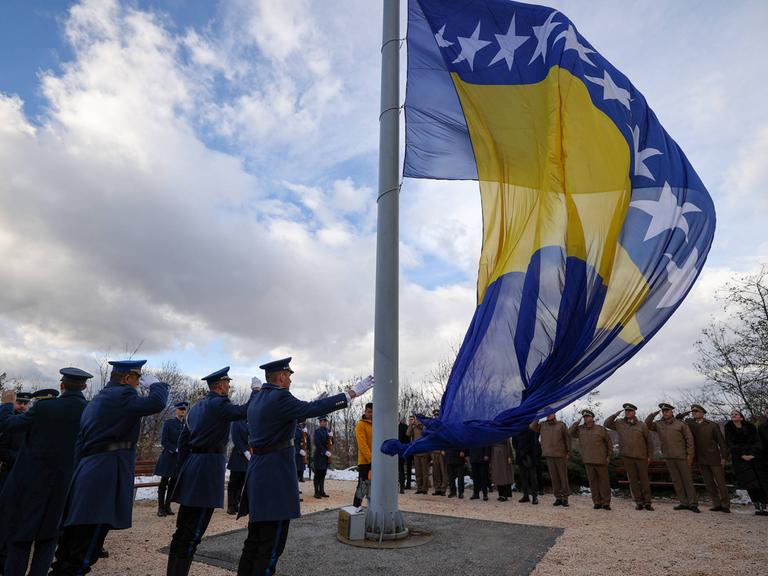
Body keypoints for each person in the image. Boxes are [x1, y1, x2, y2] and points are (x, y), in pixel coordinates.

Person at [235, 357, 373, 576]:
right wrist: (350, 394)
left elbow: (289, 415)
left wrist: (309, 405)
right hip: (276, 474)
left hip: (259, 472)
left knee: (254, 539)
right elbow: (310, 408)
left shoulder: (258, 398)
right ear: (281, 376)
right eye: (288, 375)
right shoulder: (281, 397)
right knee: (271, 545)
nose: (290, 379)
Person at [50, 360, 168, 576]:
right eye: (137, 378)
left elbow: (80, 443)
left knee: (70, 547)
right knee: (85, 549)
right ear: (126, 378)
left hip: (87, 472)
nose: (138, 383)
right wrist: (157, 385)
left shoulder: (98, 399)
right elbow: (157, 404)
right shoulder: (122, 396)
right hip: (104, 474)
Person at [166, 367, 256, 576]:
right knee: (194, 531)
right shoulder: (220, 404)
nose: (230, 386)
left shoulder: (196, 407)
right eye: (228, 382)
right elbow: (247, 410)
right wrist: (256, 390)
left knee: (183, 529)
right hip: (206, 469)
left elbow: (183, 441)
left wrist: (183, 470)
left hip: (192, 466)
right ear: (220, 385)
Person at [0, 370, 90, 576]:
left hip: (30, 485)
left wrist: (6, 404)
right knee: (48, 539)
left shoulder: (43, 408)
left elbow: (8, 424)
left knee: (21, 537)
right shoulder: (88, 411)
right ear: (84, 387)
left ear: (62, 385)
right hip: (65, 486)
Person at [676, 404, 731, 512]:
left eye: (696, 411)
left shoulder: (712, 425)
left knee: (721, 483)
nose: (694, 413)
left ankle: (725, 505)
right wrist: (684, 414)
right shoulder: (689, 423)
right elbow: (677, 419)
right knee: (709, 483)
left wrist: (724, 457)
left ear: (703, 413)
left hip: (714, 458)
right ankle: (716, 504)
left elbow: (721, 442)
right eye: (693, 412)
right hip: (700, 459)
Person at [646, 403, 699, 512]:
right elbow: (646, 425)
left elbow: (689, 440)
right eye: (663, 411)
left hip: (682, 457)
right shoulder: (658, 424)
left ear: (672, 412)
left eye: (667, 411)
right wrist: (652, 415)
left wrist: (690, 455)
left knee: (687, 480)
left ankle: (693, 503)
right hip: (669, 457)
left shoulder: (681, 424)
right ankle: (683, 502)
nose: (665, 413)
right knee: (677, 481)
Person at [605, 403, 654, 510]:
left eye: (630, 411)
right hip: (627, 456)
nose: (627, 412)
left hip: (641, 457)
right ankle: (638, 502)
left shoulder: (642, 425)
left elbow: (649, 441)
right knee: (633, 481)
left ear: (634, 412)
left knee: (644, 480)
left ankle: (648, 502)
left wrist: (649, 455)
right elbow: (606, 424)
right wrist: (614, 415)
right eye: (626, 411)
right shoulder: (619, 423)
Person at [724, 410, 768, 516]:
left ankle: (765, 505)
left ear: (741, 417)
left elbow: (758, 441)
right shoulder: (728, 428)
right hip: (740, 459)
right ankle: (757, 506)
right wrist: (742, 455)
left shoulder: (751, 427)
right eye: (732, 414)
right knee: (750, 483)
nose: (733, 415)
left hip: (754, 457)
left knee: (760, 482)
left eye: (736, 414)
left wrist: (753, 454)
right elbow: (730, 443)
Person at [569, 409, 613, 510]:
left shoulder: (600, 429)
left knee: (604, 482)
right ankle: (596, 502)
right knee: (593, 483)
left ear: (592, 418)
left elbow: (609, 444)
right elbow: (569, 433)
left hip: (601, 460)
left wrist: (608, 456)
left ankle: (606, 502)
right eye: (584, 417)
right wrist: (577, 422)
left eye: (587, 416)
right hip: (588, 460)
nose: (585, 418)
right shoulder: (580, 429)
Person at [530, 411, 571, 506]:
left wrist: (568, 451)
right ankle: (558, 497)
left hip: (560, 455)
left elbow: (567, 438)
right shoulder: (542, 425)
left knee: (563, 477)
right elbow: (532, 427)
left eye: (550, 414)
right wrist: (538, 417)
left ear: (554, 414)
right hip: (549, 454)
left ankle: (565, 498)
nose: (548, 415)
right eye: (547, 414)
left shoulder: (561, 425)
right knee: (554, 478)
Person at [155, 401, 187, 517]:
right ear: (176, 410)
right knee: (164, 483)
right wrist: (175, 449)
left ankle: (168, 506)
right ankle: (160, 508)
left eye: (184, 410)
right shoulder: (169, 423)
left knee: (173, 483)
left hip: (179, 459)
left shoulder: (186, 425)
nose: (182, 411)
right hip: (169, 457)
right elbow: (164, 441)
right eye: (180, 409)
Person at [0, 392, 31, 492]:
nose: (22, 406)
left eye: (25, 404)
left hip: (24, 473)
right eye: (19, 402)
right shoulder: (7, 421)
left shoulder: (29, 422)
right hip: (7, 470)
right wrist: (18, 458)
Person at [228, 418, 250, 515]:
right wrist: (244, 451)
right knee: (233, 482)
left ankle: (237, 503)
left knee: (241, 482)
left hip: (249, 456)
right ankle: (231, 506)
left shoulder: (252, 420)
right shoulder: (237, 422)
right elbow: (236, 438)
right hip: (238, 455)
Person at [353, 402, 373, 507]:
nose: (371, 414)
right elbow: (362, 445)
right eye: (369, 412)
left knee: (374, 487)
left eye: (373, 412)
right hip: (365, 462)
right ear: (365, 411)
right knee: (362, 486)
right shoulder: (360, 425)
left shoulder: (376, 424)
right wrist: (371, 459)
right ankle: (356, 507)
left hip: (375, 461)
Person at [512, 428, 539, 504]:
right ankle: (525, 495)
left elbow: (533, 444)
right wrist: (519, 451)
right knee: (523, 478)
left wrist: (524, 451)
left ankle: (534, 497)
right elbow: (514, 443)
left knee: (532, 478)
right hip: (520, 457)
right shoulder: (516, 432)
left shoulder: (531, 432)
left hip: (529, 457)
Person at [408, 415, 430, 495]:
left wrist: (419, 425)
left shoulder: (425, 426)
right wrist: (411, 425)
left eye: (418, 419)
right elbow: (408, 434)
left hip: (424, 451)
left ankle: (425, 488)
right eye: (416, 419)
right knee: (418, 471)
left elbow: (426, 433)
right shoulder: (413, 427)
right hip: (416, 451)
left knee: (424, 472)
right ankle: (419, 488)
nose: (417, 421)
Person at [313, 416, 331, 498]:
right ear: (320, 422)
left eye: (326, 421)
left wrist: (332, 437)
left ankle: (322, 491)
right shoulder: (317, 431)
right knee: (318, 474)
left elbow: (331, 443)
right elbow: (317, 443)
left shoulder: (328, 431)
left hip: (326, 456)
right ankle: (316, 492)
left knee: (323, 473)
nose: (325, 422)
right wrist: (324, 452)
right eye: (324, 421)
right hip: (319, 455)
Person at [397, 414, 412, 493]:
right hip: (391, 452)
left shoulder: (404, 427)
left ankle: (402, 486)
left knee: (400, 469)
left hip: (400, 451)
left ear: (399, 418)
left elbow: (407, 440)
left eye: (397, 417)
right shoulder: (389, 427)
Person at [294, 420, 308, 484]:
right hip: (296, 454)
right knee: (295, 473)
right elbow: (292, 442)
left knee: (299, 473)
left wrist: (306, 434)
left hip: (301, 455)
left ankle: (297, 488)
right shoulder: (293, 429)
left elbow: (306, 442)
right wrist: (298, 450)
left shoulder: (301, 429)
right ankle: (294, 489)